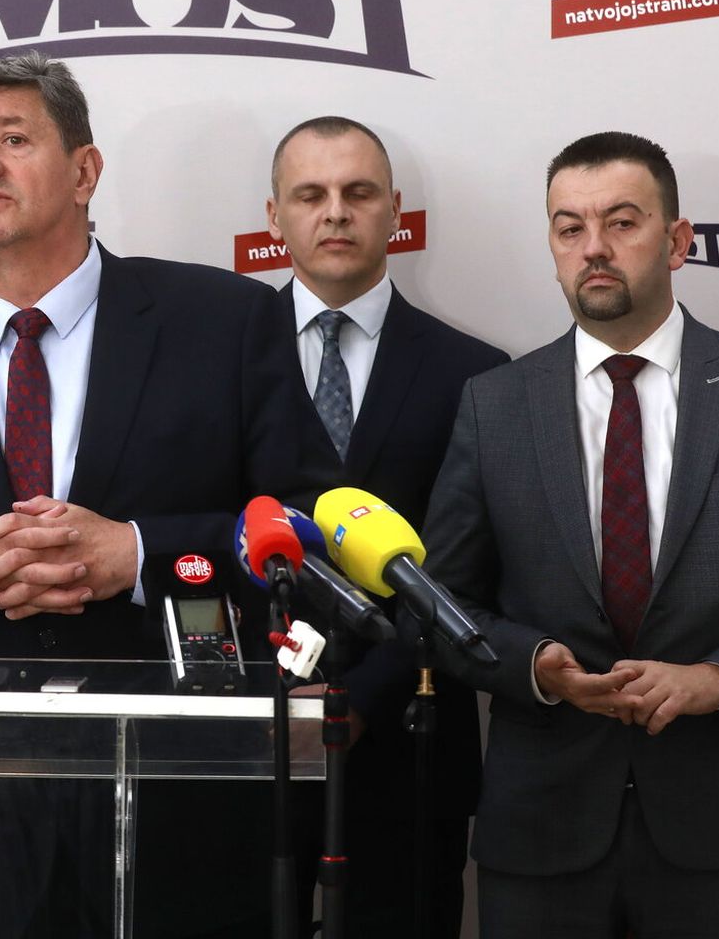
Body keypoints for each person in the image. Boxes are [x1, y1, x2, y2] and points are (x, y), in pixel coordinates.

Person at [0, 51, 303, 939]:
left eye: (12, 140)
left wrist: (138, 556)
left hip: (177, 812)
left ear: (84, 171)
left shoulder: (224, 321)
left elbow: (306, 531)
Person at [421, 130, 719, 938]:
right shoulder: (495, 404)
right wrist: (533, 666)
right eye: (570, 228)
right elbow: (436, 605)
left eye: (622, 222)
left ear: (678, 241)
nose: (594, 247)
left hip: (718, 829)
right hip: (542, 832)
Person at [265, 116, 507, 937]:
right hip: (256, 745)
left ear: (395, 211)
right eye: (311, 194)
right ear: (274, 216)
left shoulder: (474, 375)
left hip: (412, 746)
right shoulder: (217, 356)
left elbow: (465, 569)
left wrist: (364, 696)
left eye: (358, 192)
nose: (335, 211)